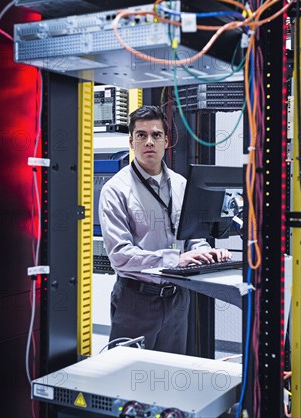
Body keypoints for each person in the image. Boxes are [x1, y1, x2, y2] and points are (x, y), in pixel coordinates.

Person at [99, 105, 231, 354]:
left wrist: (206, 253)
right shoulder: (115, 190)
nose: (149, 141)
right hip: (135, 298)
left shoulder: (182, 185)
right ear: (131, 141)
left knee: (170, 375)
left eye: (156, 135)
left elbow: (193, 237)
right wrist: (176, 260)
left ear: (166, 140)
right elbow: (120, 256)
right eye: (141, 135)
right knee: (129, 378)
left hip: (178, 298)